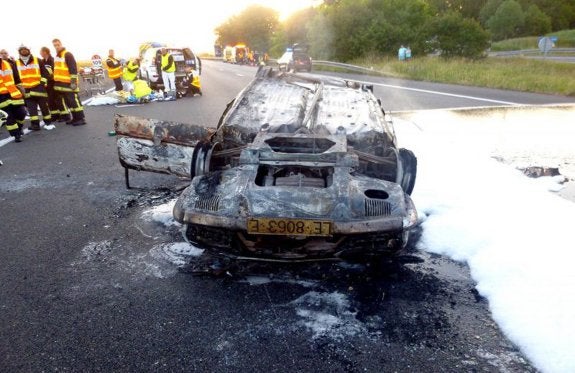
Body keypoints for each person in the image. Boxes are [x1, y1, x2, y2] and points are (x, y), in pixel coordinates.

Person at [16, 45, 52, 131]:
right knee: (32, 111)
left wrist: (41, 84)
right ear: (19, 52)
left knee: (44, 108)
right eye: (22, 50)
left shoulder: (37, 60)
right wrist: (21, 88)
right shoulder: (16, 63)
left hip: (39, 89)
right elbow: (15, 77)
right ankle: (35, 125)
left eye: (26, 49)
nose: (24, 51)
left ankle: (48, 123)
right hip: (26, 90)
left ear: (29, 50)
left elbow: (45, 73)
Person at [52, 38, 86, 126]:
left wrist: (73, 82)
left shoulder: (67, 54)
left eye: (58, 45)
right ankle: (75, 118)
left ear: (61, 44)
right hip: (61, 85)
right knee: (69, 102)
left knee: (74, 101)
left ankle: (81, 118)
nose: (56, 47)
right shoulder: (57, 56)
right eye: (55, 45)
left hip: (69, 84)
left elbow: (73, 69)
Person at [0, 58, 27, 142]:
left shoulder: (7, 64)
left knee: (22, 112)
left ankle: (19, 127)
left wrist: (22, 89)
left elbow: (16, 77)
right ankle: (16, 135)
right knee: (9, 116)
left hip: (14, 93)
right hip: (1, 96)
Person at [40, 46, 66, 122]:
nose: (40, 53)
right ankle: (55, 115)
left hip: (54, 82)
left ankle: (65, 115)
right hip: (47, 84)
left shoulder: (52, 60)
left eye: (41, 52)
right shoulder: (42, 61)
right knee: (50, 101)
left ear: (45, 52)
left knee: (58, 100)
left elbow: (55, 71)